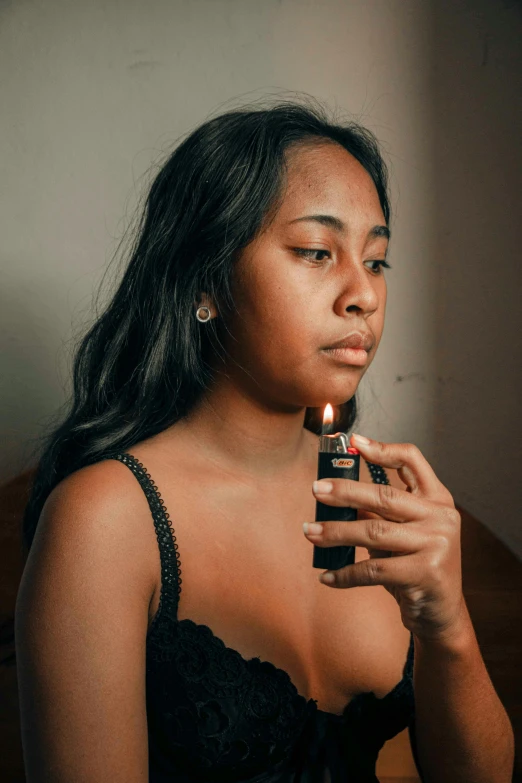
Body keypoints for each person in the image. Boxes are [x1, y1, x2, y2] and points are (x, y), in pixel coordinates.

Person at [13, 97, 462, 782]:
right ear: (205, 281)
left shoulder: (385, 499)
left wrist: (448, 624)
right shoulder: (105, 517)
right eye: (317, 251)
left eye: (377, 261)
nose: (363, 296)